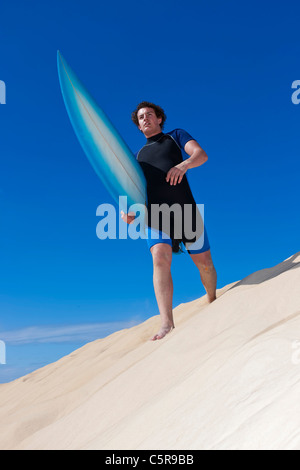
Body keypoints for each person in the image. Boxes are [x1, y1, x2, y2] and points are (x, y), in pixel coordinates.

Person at [121, 101, 217, 341]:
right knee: (159, 258)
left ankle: (213, 300)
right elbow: (129, 190)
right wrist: (126, 211)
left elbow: (200, 154)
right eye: (141, 117)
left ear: (159, 119)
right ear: (139, 126)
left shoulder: (175, 136)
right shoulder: (137, 157)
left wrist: (183, 165)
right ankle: (166, 323)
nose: (145, 119)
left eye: (150, 115)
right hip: (156, 216)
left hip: (185, 212)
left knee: (204, 264)